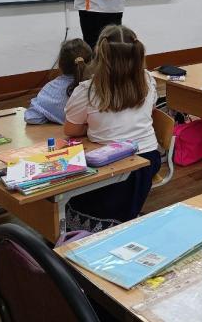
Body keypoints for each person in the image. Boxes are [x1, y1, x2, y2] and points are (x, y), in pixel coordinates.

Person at [64, 25, 160, 231]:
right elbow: (150, 112)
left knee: (68, 198)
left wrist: (93, 129)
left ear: (100, 54)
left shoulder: (87, 90)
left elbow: (71, 130)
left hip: (108, 164)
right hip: (148, 160)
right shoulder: (148, 80)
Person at [24, 39, 92, 125]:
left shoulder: (49, 90)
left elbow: (30, 117)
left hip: (65, 132)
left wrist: (53, 119)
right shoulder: (98, 88)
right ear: (91, 63)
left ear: (60, 64)